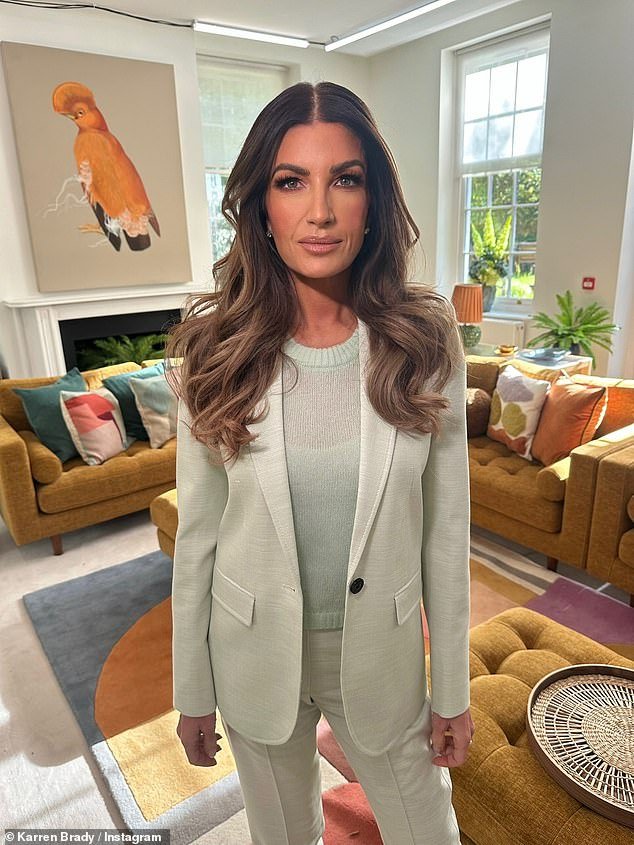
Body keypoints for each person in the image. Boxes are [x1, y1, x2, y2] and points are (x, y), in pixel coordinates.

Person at [164, 80, 475, 845]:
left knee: (427, 832)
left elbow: (446, 531)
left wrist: (452, 688)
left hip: (382, 653)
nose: (321, 210)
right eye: (291, 181)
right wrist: (192, 689)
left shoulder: (425, 336)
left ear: (373, 199)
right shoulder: (213, 349)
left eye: (346, 178)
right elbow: (198, 538)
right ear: (260, 206)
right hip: (252, 650)